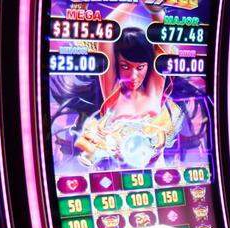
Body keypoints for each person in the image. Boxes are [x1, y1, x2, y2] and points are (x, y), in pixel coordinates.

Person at [75, 1, 183, 169]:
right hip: (113, 177)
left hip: (157, 176)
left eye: (140, 67)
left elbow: (164, 42)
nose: (133, 76)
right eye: (125, 66)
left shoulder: (154, 91)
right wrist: (132, 2)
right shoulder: (113, 94)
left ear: (148, 65)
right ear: (116, 65)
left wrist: (156, 10)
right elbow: (106, 33)